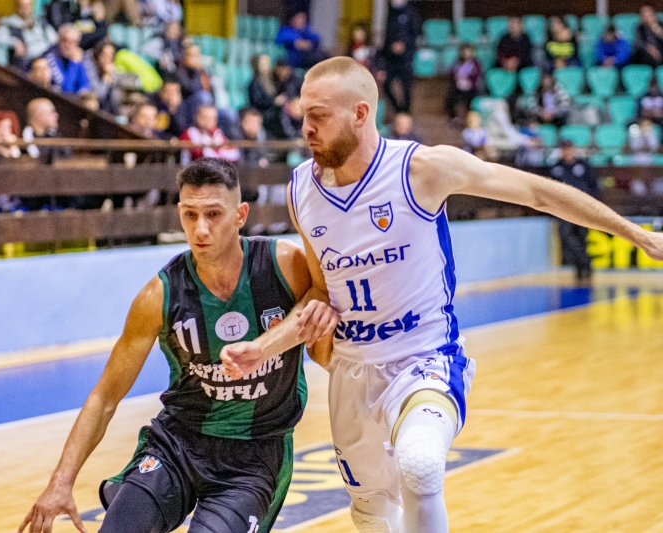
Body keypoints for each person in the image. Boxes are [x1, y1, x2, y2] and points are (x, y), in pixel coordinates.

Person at [220, 56, 663, 533]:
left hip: (424, 357)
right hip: (352, 369)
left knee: (421, 463)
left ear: (361, 113)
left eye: (318, 116)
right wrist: (262, 348)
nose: (305, 127)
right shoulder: (301, 191)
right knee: (371, 514)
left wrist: (636, 234)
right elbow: (321, 291)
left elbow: (539, 193)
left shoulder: (423, 169)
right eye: (303, 114)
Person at [18, 157, 337, 533]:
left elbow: (321, 302)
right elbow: (105, 397)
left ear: (240, 215)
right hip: (178, 444)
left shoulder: (284, 266)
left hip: (254, 456)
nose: (200, 229)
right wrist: (61, 481)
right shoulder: (159, 295)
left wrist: (273, 345)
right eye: (190, 215)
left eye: (213, 214)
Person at [549, 139, 601, 283]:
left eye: (569, 148)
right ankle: (585, 261)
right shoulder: (556, 168)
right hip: (563, 209)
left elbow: (593, 185)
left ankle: (582, 270)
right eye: (564, 149)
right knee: (565, 235)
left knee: (582, 236)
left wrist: (593, 204)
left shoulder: (583, 165)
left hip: (582, 207)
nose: (567, 152)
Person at [0, 0, 59, 69]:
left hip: (48, 59)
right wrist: (13, 42)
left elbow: (55, 40)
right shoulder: (10, 24)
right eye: (22, 6)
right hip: (28, 64)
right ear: (16, 7)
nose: (25, 9)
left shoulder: (40, 22)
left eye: (27, 6)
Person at [381, 0, 421, 113]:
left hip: (406, 58)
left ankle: (406, 112)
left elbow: (415, 33)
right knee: (386, 84)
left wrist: (404, 45)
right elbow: (387, 35)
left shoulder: (411, 13)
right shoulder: (390, 13)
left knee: (406, 87)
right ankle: (398, 110)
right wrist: (390, 48)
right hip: (391, 58)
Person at [43, 25, 92, 94]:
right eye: (65, 40)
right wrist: (74, 63)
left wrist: (82, 93)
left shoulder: (76, 57)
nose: (68, 45)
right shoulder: (51, 56)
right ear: (59, 40)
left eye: (73, 42)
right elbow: (66, 88)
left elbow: (85, 84)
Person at [445, 43, 483, 121]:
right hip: (458, 88)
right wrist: (457, 80)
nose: (467, 54)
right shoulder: (457, 63)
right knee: (451, 98)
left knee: (472, 100)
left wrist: (468, 81)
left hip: (471, 88)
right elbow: (452, 74)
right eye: (465, 52)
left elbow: (476, 76)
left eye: (469, 52)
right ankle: (453, 117)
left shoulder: (475, 64)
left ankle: (471, 118)